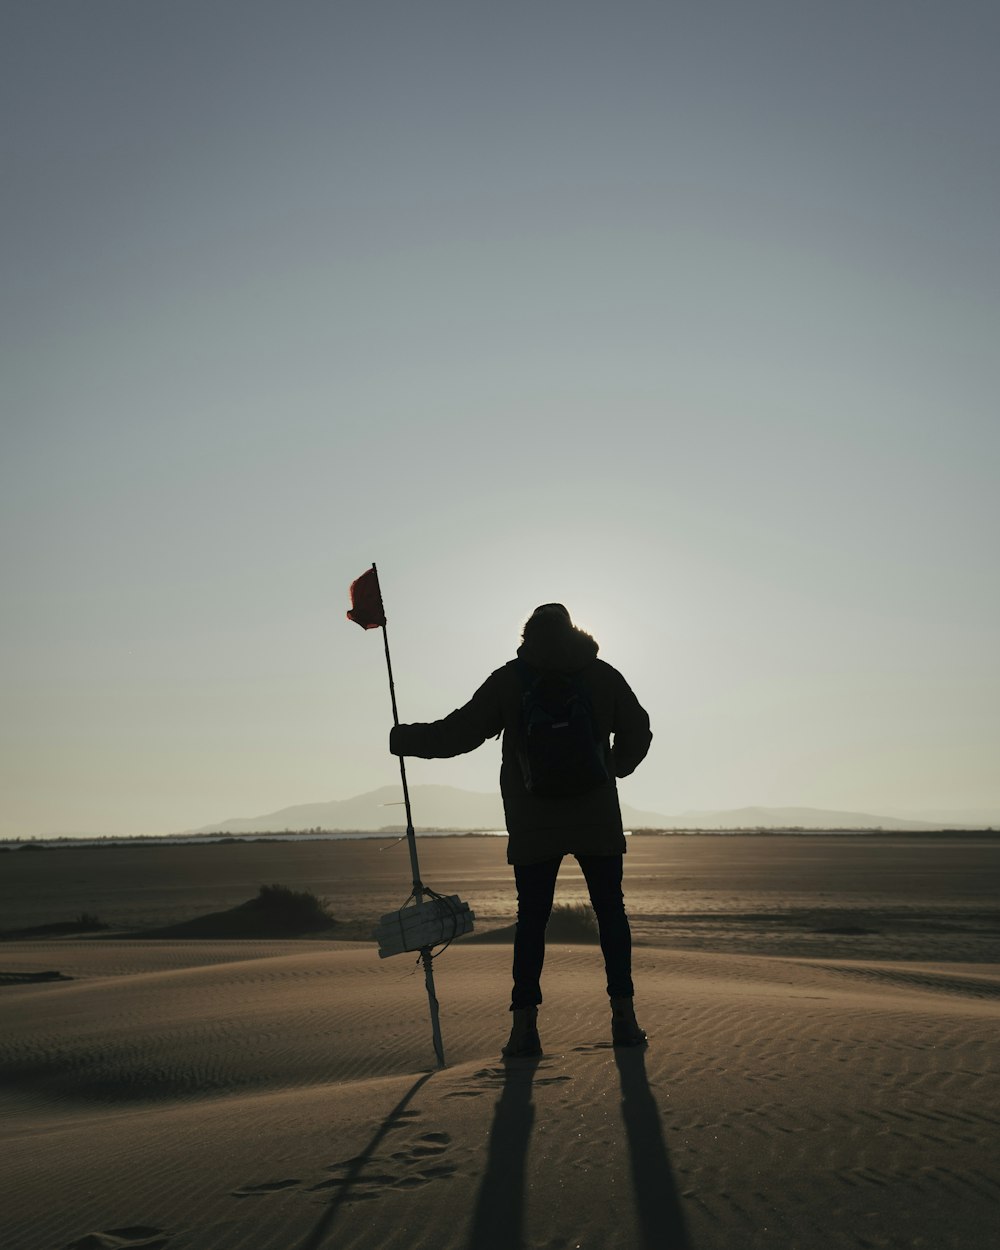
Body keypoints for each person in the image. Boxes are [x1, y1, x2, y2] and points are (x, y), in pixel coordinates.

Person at [389, 602, 652, 1057]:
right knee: (611, 913)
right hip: (597, 817)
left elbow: (460, 733)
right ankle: (624, 1020)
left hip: (534, 821)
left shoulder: (512, 678)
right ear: (574, 633)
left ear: (528, 635)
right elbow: (640, 730)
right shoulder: (602, 674)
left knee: (532, 920)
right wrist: (612, 769)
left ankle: (523, 1031)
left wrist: (404, 739)